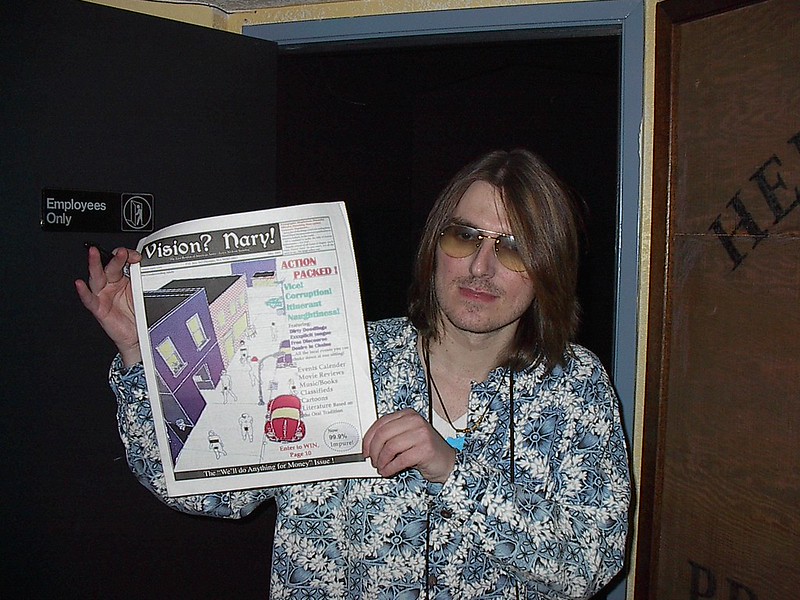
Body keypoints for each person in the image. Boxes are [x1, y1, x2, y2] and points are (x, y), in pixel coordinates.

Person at [76, 149, 631, 599]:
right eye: (466, 237)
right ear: (437, 246)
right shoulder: (342, 356)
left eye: (513, 249)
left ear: (547, 269)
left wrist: (453, 473)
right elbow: (205, 493)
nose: (481, 267)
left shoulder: (573, 388)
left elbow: (588, 566)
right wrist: (136, 355)